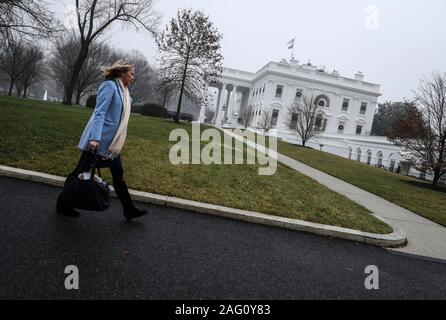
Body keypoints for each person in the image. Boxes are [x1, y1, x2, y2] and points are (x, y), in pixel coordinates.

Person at [57, 60, 147, 221]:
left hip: (112, 145)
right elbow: (100, 113)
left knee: (118, 175)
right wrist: (95, 138)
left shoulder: (124, 91)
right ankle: (63, 204)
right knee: (79, 173)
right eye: (131, 74)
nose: (133, 78)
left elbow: (122, 109)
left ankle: (129, 209)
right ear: (122, 73)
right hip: (98, 142)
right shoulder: (110, 86)